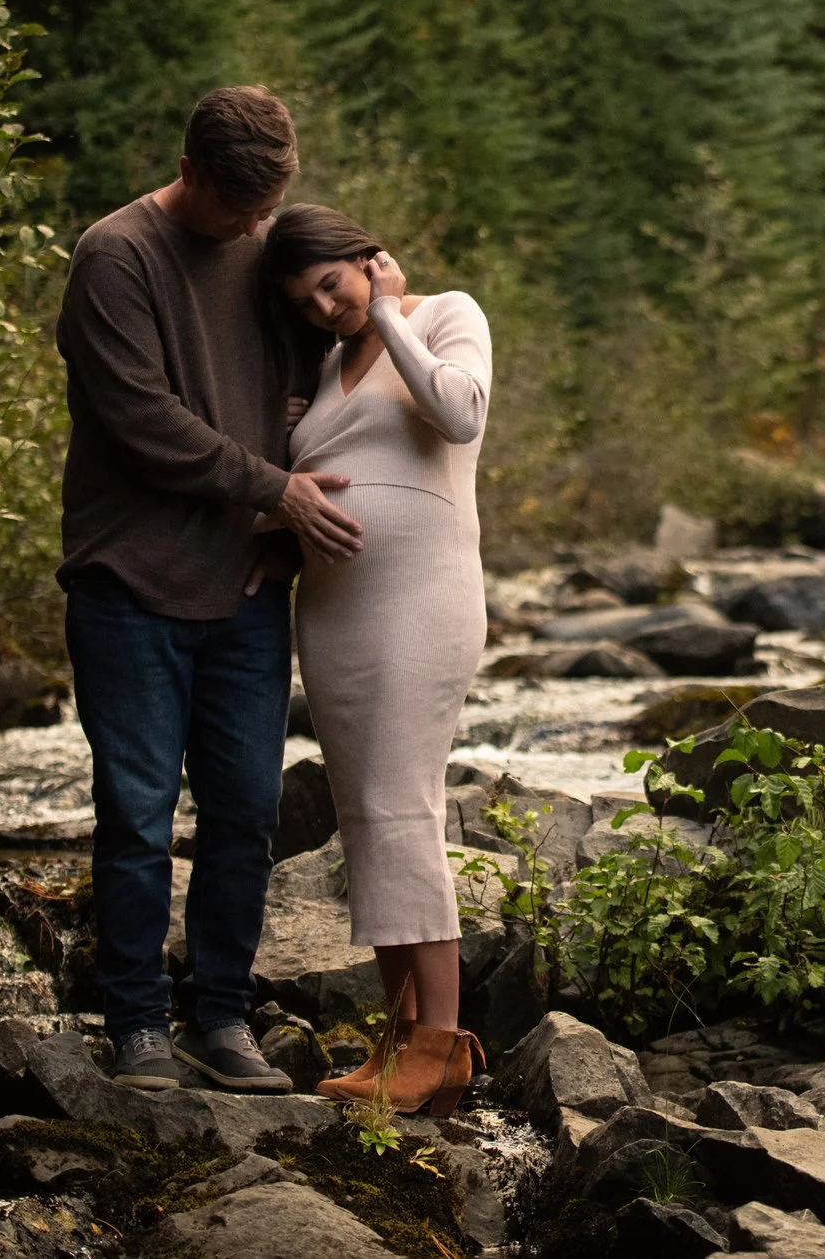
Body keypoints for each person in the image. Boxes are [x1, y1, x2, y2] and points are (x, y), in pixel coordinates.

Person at [56, 87, 364, 1092]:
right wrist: (271, 486)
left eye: (269, 205)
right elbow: (141, 417)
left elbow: (307, 379)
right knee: (139, 811)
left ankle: (219, 1017)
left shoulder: (264, 240)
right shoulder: (116, 256)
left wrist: (276, 531)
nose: (254, 226)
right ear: (189, 169)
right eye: (240, 209)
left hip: (242, 584)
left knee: (245, 808)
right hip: (129, 580)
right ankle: (137, 1021)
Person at [260, 205, 493, 1116]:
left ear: (368, 257)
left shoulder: (443, 314)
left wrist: (391, 312)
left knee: (402, 809)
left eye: (333, 282)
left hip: (421, 604)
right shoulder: (318, 368)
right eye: (304, 299)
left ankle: (440, 1041)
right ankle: (402, 1041)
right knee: (368, 821)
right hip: (334, 615)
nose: (324, 307)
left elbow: (459, 414)